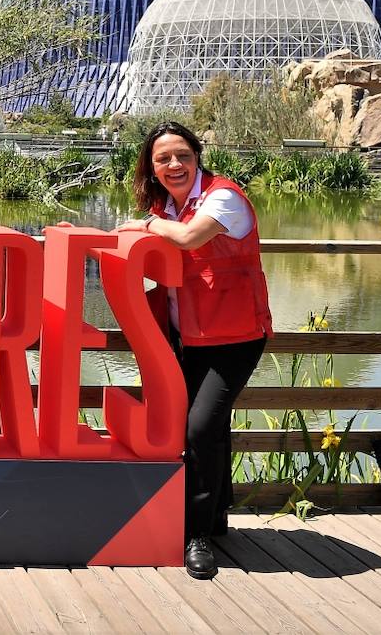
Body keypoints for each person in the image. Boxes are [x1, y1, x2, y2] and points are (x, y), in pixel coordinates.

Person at [116, 121, 272, 580]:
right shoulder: (167, 205)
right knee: (203, 428)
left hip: (236, 339)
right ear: (152, 166)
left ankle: (196, 536)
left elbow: (186, 240)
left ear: (197, 156)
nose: (173, 164)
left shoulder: (223, 198)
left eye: (182, 155)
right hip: (187, 339)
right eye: (162, 158)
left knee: (200, 429)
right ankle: (216, 518)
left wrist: (146, 223)